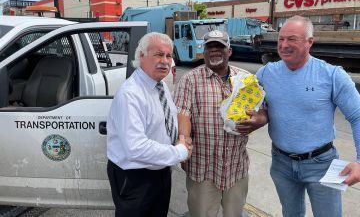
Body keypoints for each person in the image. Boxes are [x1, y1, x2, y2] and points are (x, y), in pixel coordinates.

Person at [255, 16, 360, 217]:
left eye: (292, 39)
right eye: (280, 39)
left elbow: (358, 116)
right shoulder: (266, 73)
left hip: (322, 164)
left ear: (309, 42)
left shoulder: (332, 75)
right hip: (281, 163)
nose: (284, 45)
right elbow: (249, 102)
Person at [174, 30, 267, 217]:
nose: (215, 51)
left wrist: (260, 120)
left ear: (229, 51)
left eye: (220, 47)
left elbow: (262, 109)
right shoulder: (190, 80)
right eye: (210, 47)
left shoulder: (245, 79)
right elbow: (182, 113)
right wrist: (184, 142)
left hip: (236, 166)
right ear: (204, 52)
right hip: (203, 169)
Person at [106, 32, 191, 217]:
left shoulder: (160, 85)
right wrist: (179, 152)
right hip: (135, 177)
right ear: (141, 56)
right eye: (158, 54)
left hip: (160, 171)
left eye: (169, 55)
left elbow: (167, 120)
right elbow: (135, 148)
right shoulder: (131, 93)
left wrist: (182, 137)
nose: (165, 61)